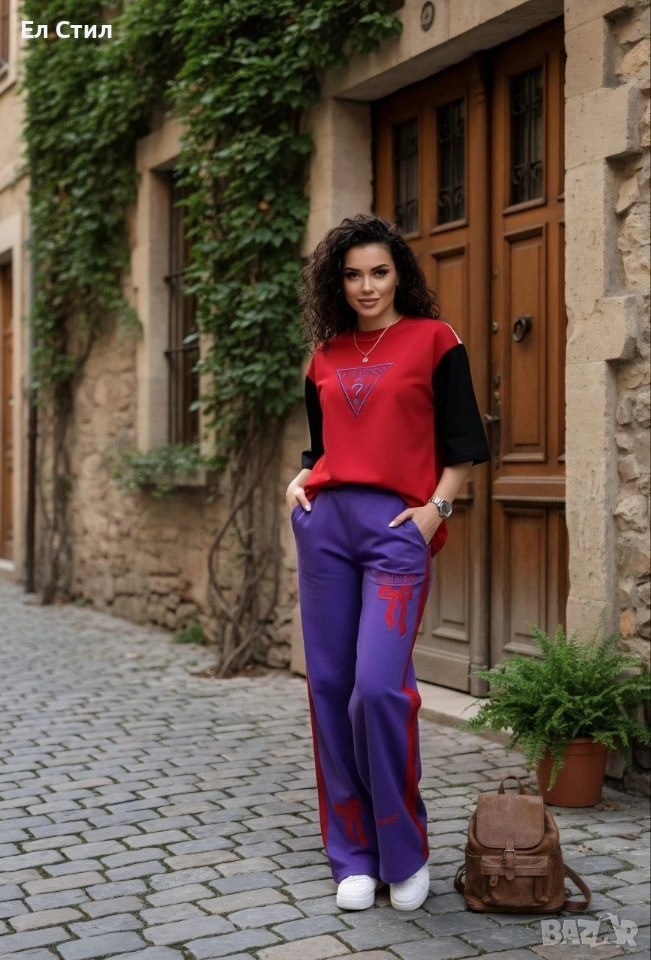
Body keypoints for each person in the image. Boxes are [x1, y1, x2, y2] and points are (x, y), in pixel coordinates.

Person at [286, 214, 490, 912]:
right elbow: (321, 447)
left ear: (398, 273)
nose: (367, 286)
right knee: (329, 686)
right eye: (353, 275)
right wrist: (299, 482)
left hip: (398, 529)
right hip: (325, 528)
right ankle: (352, 854)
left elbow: (462, 443)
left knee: (376, 688)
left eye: (379, 271)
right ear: (336, 283)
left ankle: (402, 850)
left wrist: (437, 509)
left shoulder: (435, 340)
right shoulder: (324, 355)